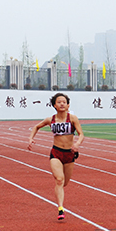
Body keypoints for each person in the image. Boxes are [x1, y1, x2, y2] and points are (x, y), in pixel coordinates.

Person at [28, 93, 84, 221]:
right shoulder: (50, 119)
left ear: (68, 105)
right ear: (54, 105)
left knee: (65, 182)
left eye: (64, 102)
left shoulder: (73, 118)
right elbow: (37, 127)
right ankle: (60, 208)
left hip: (70, 153)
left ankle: (60, 196)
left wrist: (77, 144)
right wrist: (30, 138)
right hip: (56, 152)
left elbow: (81, 134)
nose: (62, 104)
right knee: (59, 179)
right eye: (59, 102)